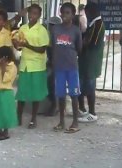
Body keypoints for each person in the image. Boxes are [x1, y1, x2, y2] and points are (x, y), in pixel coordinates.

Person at [13, 4, 49, 129]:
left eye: (35, 14)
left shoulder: (42, 30)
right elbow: (18, 46)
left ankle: (33, 118)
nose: (32, 16)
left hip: (37, 65)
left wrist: (27, 45)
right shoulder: (23, 28)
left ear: (39, 15)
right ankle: (18, 116)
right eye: (30, 13)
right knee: (22, 92)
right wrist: (16, 44)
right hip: (25, 64)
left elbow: (42, 49)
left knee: (35, 94)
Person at [51, 3, 82, 133]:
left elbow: (79, 48)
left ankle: (75, 122)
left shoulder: (76, 30)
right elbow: (52, 46)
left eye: (68, 13)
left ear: (73, 14)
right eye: (63, 12)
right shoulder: (55, 30)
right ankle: (62, 121)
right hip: (59, 67)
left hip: (71, 67)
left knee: (74, 95)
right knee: (61, 95)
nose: (65, 15)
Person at [78, 2, 105, 123]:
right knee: (83, 86)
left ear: (91, 12)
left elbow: (90, 42)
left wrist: (81, 41)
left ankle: (92, 112)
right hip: (86, 61)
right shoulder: (92, 24)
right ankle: (83, 109)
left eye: (87, 12)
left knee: (90, 88)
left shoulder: (98, 24)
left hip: (91, 61)